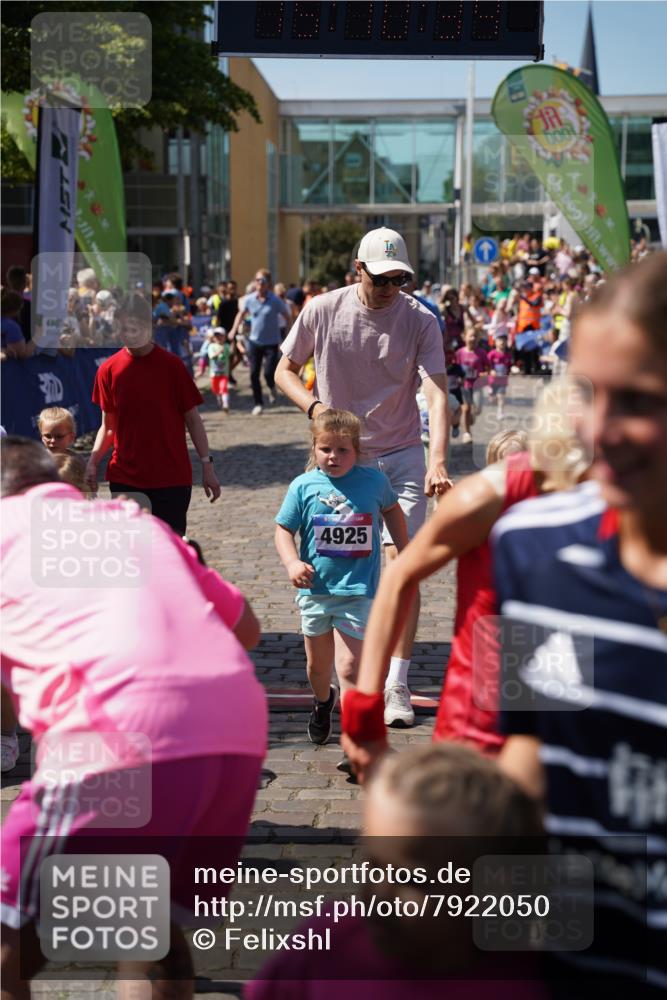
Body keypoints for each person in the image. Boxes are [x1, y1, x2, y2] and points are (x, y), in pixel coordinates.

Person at [0, 437, 266, 1000]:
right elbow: (248, 630)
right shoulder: (137, 524)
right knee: (150, 932)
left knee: (6, 935)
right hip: (235, 731)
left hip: (120, 733)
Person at [494, 252, 667, 996]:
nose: (599, 430)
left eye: (636, 401)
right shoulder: (536, 555)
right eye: (588, 394)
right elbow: (535, 746)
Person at [341, 383, 588, 778]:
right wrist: (364, 711)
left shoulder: (641, 500)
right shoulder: (498, 492)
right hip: (480, 734)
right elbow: (400, 575)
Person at [276, 226, 451, 729]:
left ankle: (396, 679)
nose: (389, 288)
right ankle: (339, 669)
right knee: (332, 565)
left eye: (398, 279)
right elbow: (284, 370)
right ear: (359, 270)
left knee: (404, 566)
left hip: (400, 454)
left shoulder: (420, 319)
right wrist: (314, 407)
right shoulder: (323, 309)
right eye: (381, 279)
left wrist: (437, 458)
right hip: (340, 455)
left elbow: (437, 395)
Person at [246, 743, 547, 1000]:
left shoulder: (527, 980)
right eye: (373, 865)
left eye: (411, 879)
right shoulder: (328, 940)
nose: (380, 895)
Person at [275, 409, 407, 759]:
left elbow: (392, 509)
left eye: (342, 450)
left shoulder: (373, 482)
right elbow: (283, 530)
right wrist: (292, 562)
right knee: (318, 669)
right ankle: (322, 702)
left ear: (357, 449)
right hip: (316, 592)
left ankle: (353, 742)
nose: (333, 457)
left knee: (350, 667)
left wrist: (405, 549)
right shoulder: (303, 486)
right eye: (325, 449)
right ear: (314, 448)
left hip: (358, 591)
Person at [86, 292, 221, 536]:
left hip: (171, 477)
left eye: (135, 327)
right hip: (126, 476)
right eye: (123, 328)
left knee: (168, 550)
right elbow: (108, 426)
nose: (129, 334)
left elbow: (193, 419)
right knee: (133, 550)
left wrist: (207, 466)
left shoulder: (172, 367)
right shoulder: (108, 370)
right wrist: (93, 461)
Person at [229, 269, 293, 416]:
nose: (259, 283)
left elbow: (287, 316)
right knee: (253, 374)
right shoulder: (250, 299)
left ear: (268, 283)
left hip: (271, 342)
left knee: (269, 373)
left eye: (262, 281)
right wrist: (233, 330)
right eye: (257, 280)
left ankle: (271, 387)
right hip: (254, 341)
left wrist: (288, 335)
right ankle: (258, 403)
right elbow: (241, 314)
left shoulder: (275, 300)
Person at [455, 328, 488, 444]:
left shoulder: (482, 353)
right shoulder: (459, 353)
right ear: (464, 337)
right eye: (470, 336)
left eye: (475, 336)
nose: (473, 339)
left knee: (477, 409)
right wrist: (457, 378)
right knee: (466, 408)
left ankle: (471, 416)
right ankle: (467, 433)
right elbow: (455, 367)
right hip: (465, 384)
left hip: (477, 385)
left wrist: (485, 374)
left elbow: (487, 367)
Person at [201, 327, 232, 411]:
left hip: (224, 373)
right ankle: (219, 397)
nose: (218, 338)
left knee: (224, 388)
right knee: (215, 389)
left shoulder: (226, 346)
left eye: (220, 336)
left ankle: (225, 404)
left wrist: (234, 343)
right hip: (214, 373)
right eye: (216, 336)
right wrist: (219, 352)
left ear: (224, 337)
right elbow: (211, 356)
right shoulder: (211, 346)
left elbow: (231, 353)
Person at [486, 333, 513, 421]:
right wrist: (491, 370)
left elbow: (509, 366)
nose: (502, 342)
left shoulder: (508, 355)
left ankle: (500, 411)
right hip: (493, 381)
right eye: (500, 340)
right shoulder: (492, 354)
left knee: (501, 396)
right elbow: (486, 365)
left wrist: (509, 373)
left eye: (504, 340)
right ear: (495, 342)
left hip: (503, 380)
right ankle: (490, 392)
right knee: (492, 399)